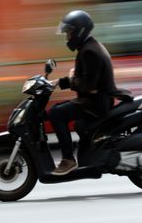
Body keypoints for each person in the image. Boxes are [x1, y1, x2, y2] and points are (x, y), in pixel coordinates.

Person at [49, 10, 118, 175]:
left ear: (80, 31)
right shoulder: (89, 47)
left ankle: (68, 160)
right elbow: (84, 80)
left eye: (69, 33)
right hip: (95, 100)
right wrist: (59, 82)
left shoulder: (89, 52)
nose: (67, 37)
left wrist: (69, 79)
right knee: (61, 112)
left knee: (55, 113)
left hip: (95, 104)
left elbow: (88, 85)